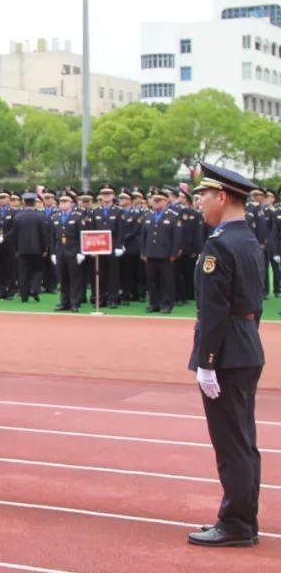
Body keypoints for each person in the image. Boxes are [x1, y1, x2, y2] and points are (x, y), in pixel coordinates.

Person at [186, 163, 265, 548]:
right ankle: (244, 518)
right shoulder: (249, 240)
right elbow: (256, 303)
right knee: (244, 440)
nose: (198, 202)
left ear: (222, 197)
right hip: (247, 343)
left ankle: (235, 523)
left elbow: (214, 311)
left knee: (231, 443)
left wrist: (207, 362)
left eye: (203, 195)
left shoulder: (219, 244)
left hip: (227, 352)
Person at [141, 188, 181, 314]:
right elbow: (143, 236)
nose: (156, 202)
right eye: (155, 200)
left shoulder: (173, 216)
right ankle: (154, 304)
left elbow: (177, 237)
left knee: (167, 281)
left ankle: (167, 304)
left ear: (166, 201)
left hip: (166, 255)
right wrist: (143, 252)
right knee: (151, 280)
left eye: (159, 200)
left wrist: (174, 253)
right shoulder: (148, 215)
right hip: (151, 254)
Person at [85, 184, 124, 308]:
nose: (106, 196)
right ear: (100, 196)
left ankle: (113, 298)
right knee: (99, 273)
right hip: (98, 247)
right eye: (104, 194)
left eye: (109, 194)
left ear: (113, 196)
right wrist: (90, 248)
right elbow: (90, 230)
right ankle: (100, 298)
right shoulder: (95, 211)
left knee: (113, 274)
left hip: (112, 246)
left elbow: (121, 230)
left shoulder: (118, 211)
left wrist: (119, 246)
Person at [51, 190, 86, 313]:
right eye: (61, 201)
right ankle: (63, 302)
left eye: (65, 201)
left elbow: (82, 235)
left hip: (73, 249)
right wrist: (53, 253)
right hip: (60, 250)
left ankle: (74, 302)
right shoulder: (55, 216)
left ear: (72, 203)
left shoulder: (78, 216)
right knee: (63, 278)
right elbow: (52, 236)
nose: (62, 203)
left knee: (75, 278)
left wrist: (81, 252)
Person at [8, 191, 47, 302]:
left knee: (23, 273)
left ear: (24, 203)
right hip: (37, 249)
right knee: (38, 270)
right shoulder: (40, 216)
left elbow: (14, 235)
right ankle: (34, 288)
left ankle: (24, 296)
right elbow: (43, 234)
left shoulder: (18, 217)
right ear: (34, 203)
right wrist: (45, 248)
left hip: (22, 249)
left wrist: (15, 248)